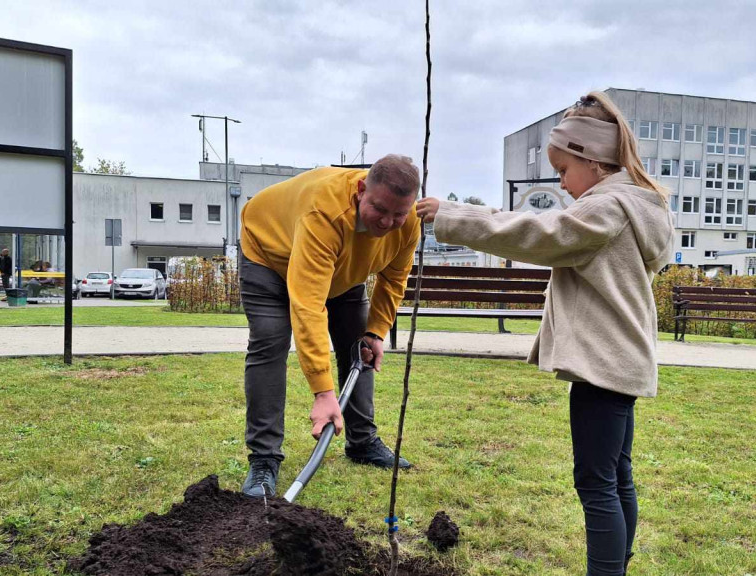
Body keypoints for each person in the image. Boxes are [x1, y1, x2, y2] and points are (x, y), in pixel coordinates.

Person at [416, 92, 674, 576]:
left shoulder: (606, 209)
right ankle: (616, 566)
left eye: (562, 170)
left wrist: (455, 215)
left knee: (597, 484)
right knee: (616, 478)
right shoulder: (636, 206)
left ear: (593, 162)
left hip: (603, 364)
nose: (561, 182)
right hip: (621, 361)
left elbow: (536, 232)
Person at [238, 154, 420, 498]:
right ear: (361, 190)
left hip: (341, 268)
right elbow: (308, 305)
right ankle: (264, 460)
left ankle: (362, 441)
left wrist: (376, 331)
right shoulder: (324, 211)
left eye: (399, 213)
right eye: (380, 209)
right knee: (270, 343)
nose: (388, 221)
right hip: (269, 254)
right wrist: (323, 393)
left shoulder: (408, 223)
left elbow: (394, 279)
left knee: (359, 348)